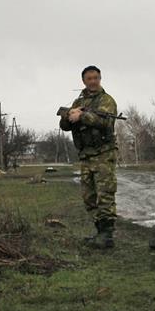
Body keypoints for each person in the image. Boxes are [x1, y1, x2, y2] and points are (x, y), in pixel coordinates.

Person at [59, 65, 119, 249]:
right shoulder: (78, 101)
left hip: (103, 154)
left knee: (105, 194)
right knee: (88, 196)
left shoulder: (107, 100)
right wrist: (68, 116)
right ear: (84, 81)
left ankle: (107, 236)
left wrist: (82, 116)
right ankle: (99, 231)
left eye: (96, 78)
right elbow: (65, 126)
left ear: (100, 79)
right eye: (89, 78)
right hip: (86, 156)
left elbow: (105, 122)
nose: (93, 81)